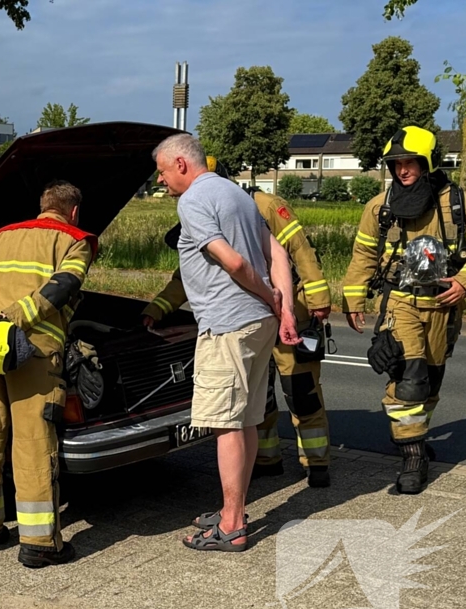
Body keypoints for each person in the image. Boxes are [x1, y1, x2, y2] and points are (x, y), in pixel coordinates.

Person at [143, 157, 333, 487]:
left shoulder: (262, 205)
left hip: (287, 308)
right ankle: (267, 458)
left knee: (300, 390)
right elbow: (187, 274)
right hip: (252, 313)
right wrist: (156, 309)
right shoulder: (207, 209)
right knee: (258, 400)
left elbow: (298, 251)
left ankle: (316, 462)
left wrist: (317, 299)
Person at [152, 134, 299, 552]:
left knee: (225, 424)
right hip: (258, 325)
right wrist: (283, 310)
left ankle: (232, 524)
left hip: (228, 325)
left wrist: (270, 297)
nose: (161, 181)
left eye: (162, 172)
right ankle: (233, 507)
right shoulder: (237, 193)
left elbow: (233, 262)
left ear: (181, 164)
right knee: (247, 419)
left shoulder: (194, 200)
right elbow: (278, 255)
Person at [342, 126, 466, 494]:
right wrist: (352, 298)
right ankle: (412, 455)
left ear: (428, 163)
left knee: (432, 378)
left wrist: (465, 282)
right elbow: (363, 255)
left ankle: (417, 436)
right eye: (395, 164)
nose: (402, 171)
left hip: (444, 306)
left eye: (409, 162)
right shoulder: (379, 208)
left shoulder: (459, 203)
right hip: (400, 302)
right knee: (409, 379)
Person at [0, 180, 95, 568]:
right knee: (32, 442)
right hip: (34, 354)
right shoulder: (74, 240)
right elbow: (63, 288)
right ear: (74, 211)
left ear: (41, 205)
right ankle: (39, 543)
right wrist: (14, 322)